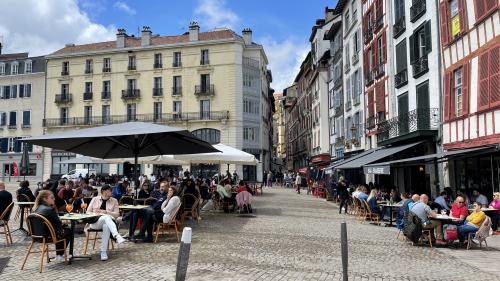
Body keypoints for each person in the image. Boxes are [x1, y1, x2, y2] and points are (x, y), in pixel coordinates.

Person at [86, 185, 125, 261]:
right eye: (110, 190)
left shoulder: (114, 200)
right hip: (95, 222)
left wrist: (106, 212)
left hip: (108, 223)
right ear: (104, 192)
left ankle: (103, 252)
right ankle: (116, 235)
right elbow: (87, 212)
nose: (112, 192)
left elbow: (117, 215)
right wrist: (96, 213)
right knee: (106, 217)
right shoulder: (95, 199)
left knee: (106, 226)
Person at [34, 190, 73, 261]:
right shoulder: (49, 209)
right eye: (52, 198)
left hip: (37, 236)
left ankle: (59, 255)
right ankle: (59, 255)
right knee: (68, 231)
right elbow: (59, 224)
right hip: (49, 236)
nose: (54, 199)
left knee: (61, 231)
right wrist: (65, 225)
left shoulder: (36, 209)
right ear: (45, 199)